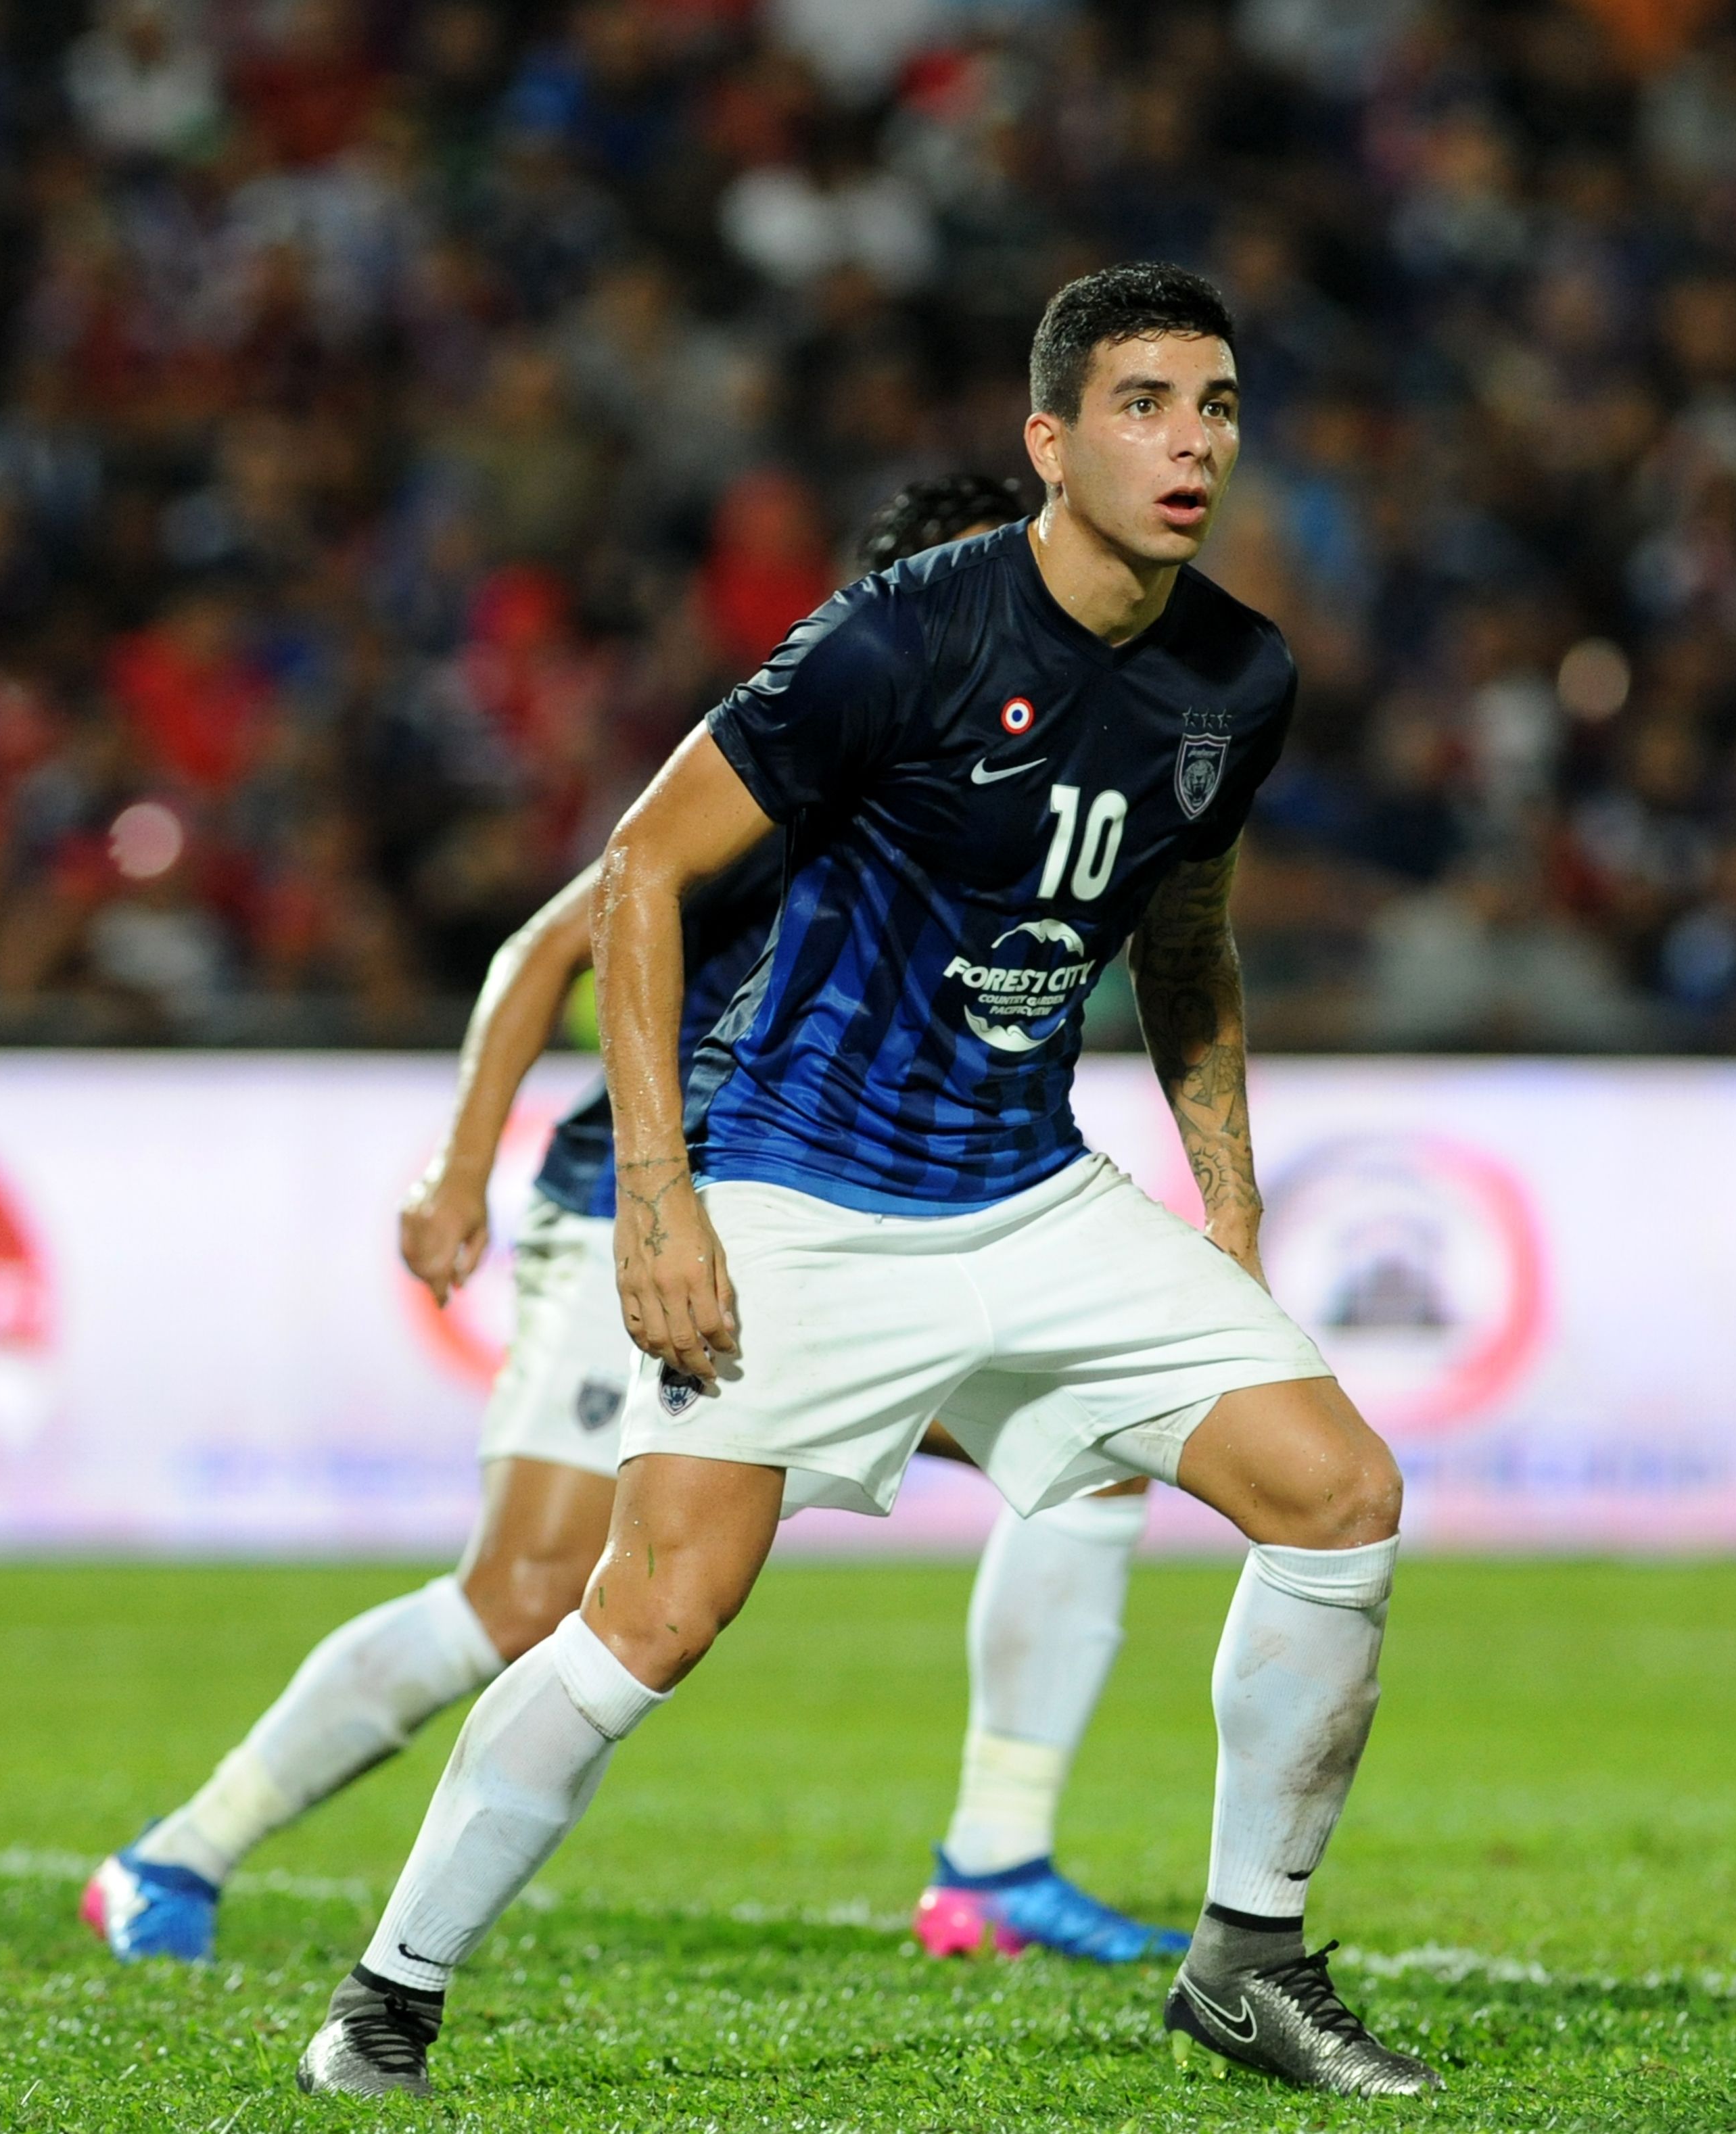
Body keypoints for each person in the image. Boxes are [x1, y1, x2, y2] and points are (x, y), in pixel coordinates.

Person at [294, 263, 1437, 2101]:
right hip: (801, 1187)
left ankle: (1248, 1963)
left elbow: (1189, 936)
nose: (1191, 442)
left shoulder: (1237, 671)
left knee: (1337, 1492)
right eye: (1144, 404)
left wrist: (1224, 1207)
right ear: (1047, 440)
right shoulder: (901, 635)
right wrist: (660, 1199)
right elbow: (639, 874)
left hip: (1026, 1189)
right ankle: (386, 1991)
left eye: (1216, 406)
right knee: (652, 1613)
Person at [83, 475, 1189, 1968]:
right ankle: (176, 1853)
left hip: (844, 1220)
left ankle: (993, 1859)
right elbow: (552, 947)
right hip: (645, 1205)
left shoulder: (1023, 798)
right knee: (529, 1596)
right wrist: (457, 1169)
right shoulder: (809, 757)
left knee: (1095, 1444)